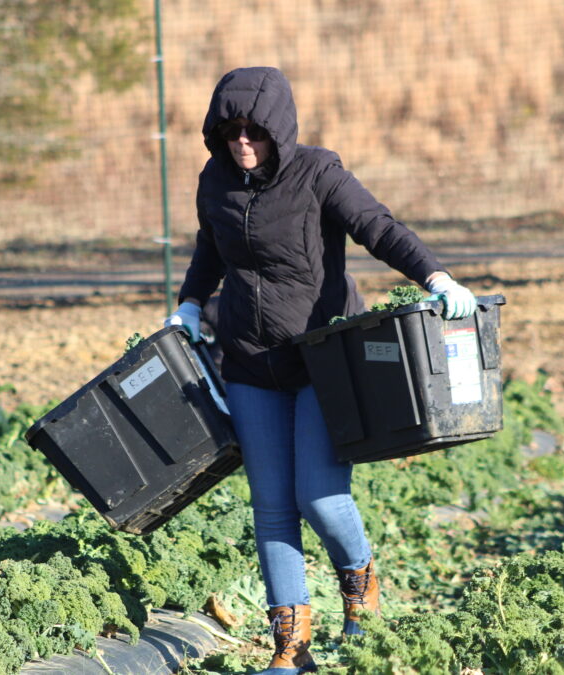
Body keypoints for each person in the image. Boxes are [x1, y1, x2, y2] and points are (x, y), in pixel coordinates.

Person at [165, 66, 477, 675]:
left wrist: (436, 276)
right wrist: (189, 301)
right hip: (249, 363)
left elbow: (377, 227)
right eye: (230, 132)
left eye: (254, 131)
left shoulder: (317, 172)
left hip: (321, 361)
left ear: (278, 128)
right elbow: (210, 244)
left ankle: (360, 586)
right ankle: (292, 649)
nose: (242, 142)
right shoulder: (216, 181)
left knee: (320, 496)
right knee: (272, 507)